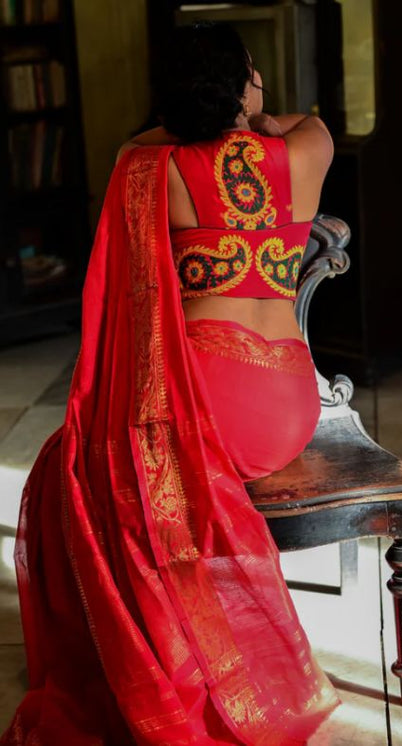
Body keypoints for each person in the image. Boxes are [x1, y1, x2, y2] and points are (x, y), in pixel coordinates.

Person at [0, 22, 340, 746]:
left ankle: (156, 654)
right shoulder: (307, 150)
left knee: (75, 465)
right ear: (242, 84)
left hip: (208, 401)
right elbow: (305, 120)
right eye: (252, 73)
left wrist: (194, 123)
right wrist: (257, 120)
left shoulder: (146, 165)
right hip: (287, 405)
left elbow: (123, 290)